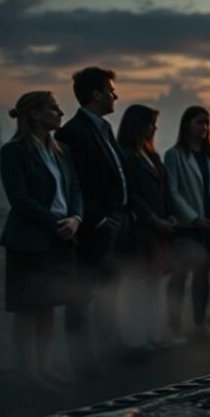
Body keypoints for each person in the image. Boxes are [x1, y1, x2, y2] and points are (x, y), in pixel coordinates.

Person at [0, 91, 82, 389]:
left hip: (61, 237)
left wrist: (76, 219)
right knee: (27, 308)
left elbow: (74, 191)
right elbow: (19, 198)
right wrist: (56, 223)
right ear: (35, 114)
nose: (61, 113)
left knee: (49, 306)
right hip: (29, 239)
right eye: (54, 109)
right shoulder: (14, 151)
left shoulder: (62, 150)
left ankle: (44, 369)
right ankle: (28, 373)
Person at [55, 67, 129, 374]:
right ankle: (81, 362)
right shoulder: (72, 132)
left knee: (109, 290)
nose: (116, 95)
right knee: (82, 294)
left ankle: (107, 352)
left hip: (113, 224)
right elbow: (77, 183)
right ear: (96, 94)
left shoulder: (104, 128)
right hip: (93, 228)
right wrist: (99, 219)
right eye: (111, 89)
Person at [164, 106, 210, 341]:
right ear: (187, 125)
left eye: (207, 123)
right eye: (199, 123)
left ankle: (199, 324)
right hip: (188, 227)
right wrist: (193, 217)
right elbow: (173, 191)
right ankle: (174, 328)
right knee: (180, 276)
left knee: (203, 275)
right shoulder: (175, 154)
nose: (204, 128)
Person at [116, 104, 175, 352]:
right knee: (137, 286)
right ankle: (135, 339)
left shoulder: (152, 156)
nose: (154, 128)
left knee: (155, 283)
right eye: (151, 123)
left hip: (159, 229)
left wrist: (169, 214)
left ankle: (153, 334)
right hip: (140, 230)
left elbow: (164, 189)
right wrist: (153, 219)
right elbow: (130, 194)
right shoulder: (126, 155)